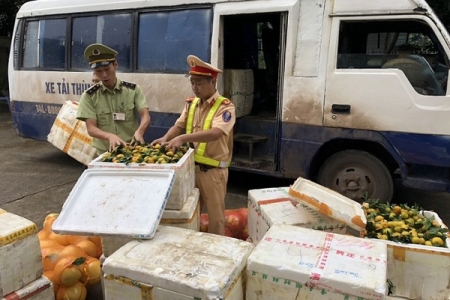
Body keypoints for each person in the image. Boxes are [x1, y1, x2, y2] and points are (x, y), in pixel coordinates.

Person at [152, 55, 236, 235]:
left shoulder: (226, 107)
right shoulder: (192, 104)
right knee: (190, 213)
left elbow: (217, 133)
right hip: (191, 169)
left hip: (213, 172)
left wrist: (182, 139)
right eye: (192, 83)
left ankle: (213, 250)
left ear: (213, 82)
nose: (194, 87)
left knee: (216, 217)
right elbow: (179, 125)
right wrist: (165, 138)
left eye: (199, 83)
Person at [76, 43, 151, 154]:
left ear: (115, 65)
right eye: (99, 71)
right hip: (105, 153)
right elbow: (91, 128)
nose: (104, 75)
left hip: (131, 149)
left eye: (107, 69)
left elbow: (145, 115)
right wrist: (109, 136)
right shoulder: (89, 96)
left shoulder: (133, 90)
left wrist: (139, 132)